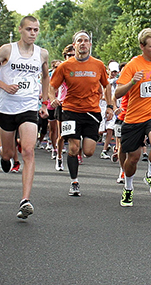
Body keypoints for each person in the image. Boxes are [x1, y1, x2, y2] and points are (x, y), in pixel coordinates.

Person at [0, 16, 49, 219]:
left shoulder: (42, 54)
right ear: (20, 30)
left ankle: (25, 200)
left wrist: (44, 102)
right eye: (29, 29)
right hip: (7, 108)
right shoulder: (7, 50)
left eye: (36, 30)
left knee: (28, 150)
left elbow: (46, 77)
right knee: (9, 154)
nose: (33, 33)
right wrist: (4, 87)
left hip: (28, 108)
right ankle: (5, 153)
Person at [49, 31, 111, 197]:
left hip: (92, 112)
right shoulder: (65, 66)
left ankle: (83, 143)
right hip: (70, 111)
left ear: (90, 44)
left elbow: (107, 85)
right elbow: (51, 86)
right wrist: (52, 98)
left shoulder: (98, 65)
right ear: (74, 45)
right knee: (74, 148)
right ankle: (74, 182)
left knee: (89, 151)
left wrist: (110, 106)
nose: (83, 43)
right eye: (79, 41)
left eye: (86, 41)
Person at [114, 28, 151, 207]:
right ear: (142, 46)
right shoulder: (133, 65)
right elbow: (117, 93)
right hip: (134, 116)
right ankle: (128, 188)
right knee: (133, 158)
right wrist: (133, 82)